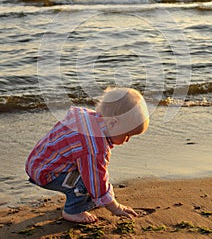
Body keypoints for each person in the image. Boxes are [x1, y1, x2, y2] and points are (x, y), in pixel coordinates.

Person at [25, 87, 149, 223]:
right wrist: (115, 207)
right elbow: (96, 180)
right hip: (46, 172)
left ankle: (88, 199)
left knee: (90, 175)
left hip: (38, 162)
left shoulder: (88, 118)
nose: (127, 140)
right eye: (127, 135)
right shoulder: (95, 146)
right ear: (113, 123)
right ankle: (72, 210)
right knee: (88, 182)